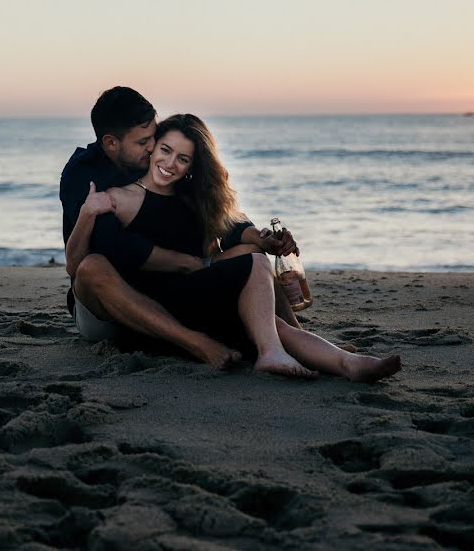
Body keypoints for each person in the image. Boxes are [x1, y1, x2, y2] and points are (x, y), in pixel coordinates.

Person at [66, 113, 401, 382]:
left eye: (183, 159)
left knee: (269, 315)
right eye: (165, 151)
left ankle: (350, 364)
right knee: (258, 290)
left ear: (193, 166)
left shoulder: (193, 199)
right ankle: (274, 353)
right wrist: (87, 213)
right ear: (152, 149)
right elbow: (89, 263)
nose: (170, 164)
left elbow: (234, 228)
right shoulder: (119, 198)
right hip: (149, 310)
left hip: (193, 298)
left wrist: (264, 238)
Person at [60, 87, 300, 370]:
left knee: (250, 251)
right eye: (144, 142)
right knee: (93, 266)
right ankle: (196, 342)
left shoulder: (155, 161)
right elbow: (116, 247)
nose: (153, 148)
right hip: (110, 304)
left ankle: (296, 334)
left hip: (165, 290)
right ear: (112, 143)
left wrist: (260, 236)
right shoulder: (83, 175)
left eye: (154, 137)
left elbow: (217, 214)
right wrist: (189, 263)